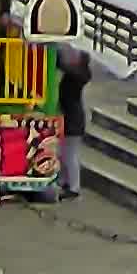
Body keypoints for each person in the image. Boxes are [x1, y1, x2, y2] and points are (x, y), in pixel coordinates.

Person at [53, 45, 93, 198]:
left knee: (70, 154)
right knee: (64, 153)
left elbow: (64, 66)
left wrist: (58, 55)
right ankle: (64, 181)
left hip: (73, 121)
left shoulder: (76, 76)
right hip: (71, 119)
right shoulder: (77, 75)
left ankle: (74, 187)